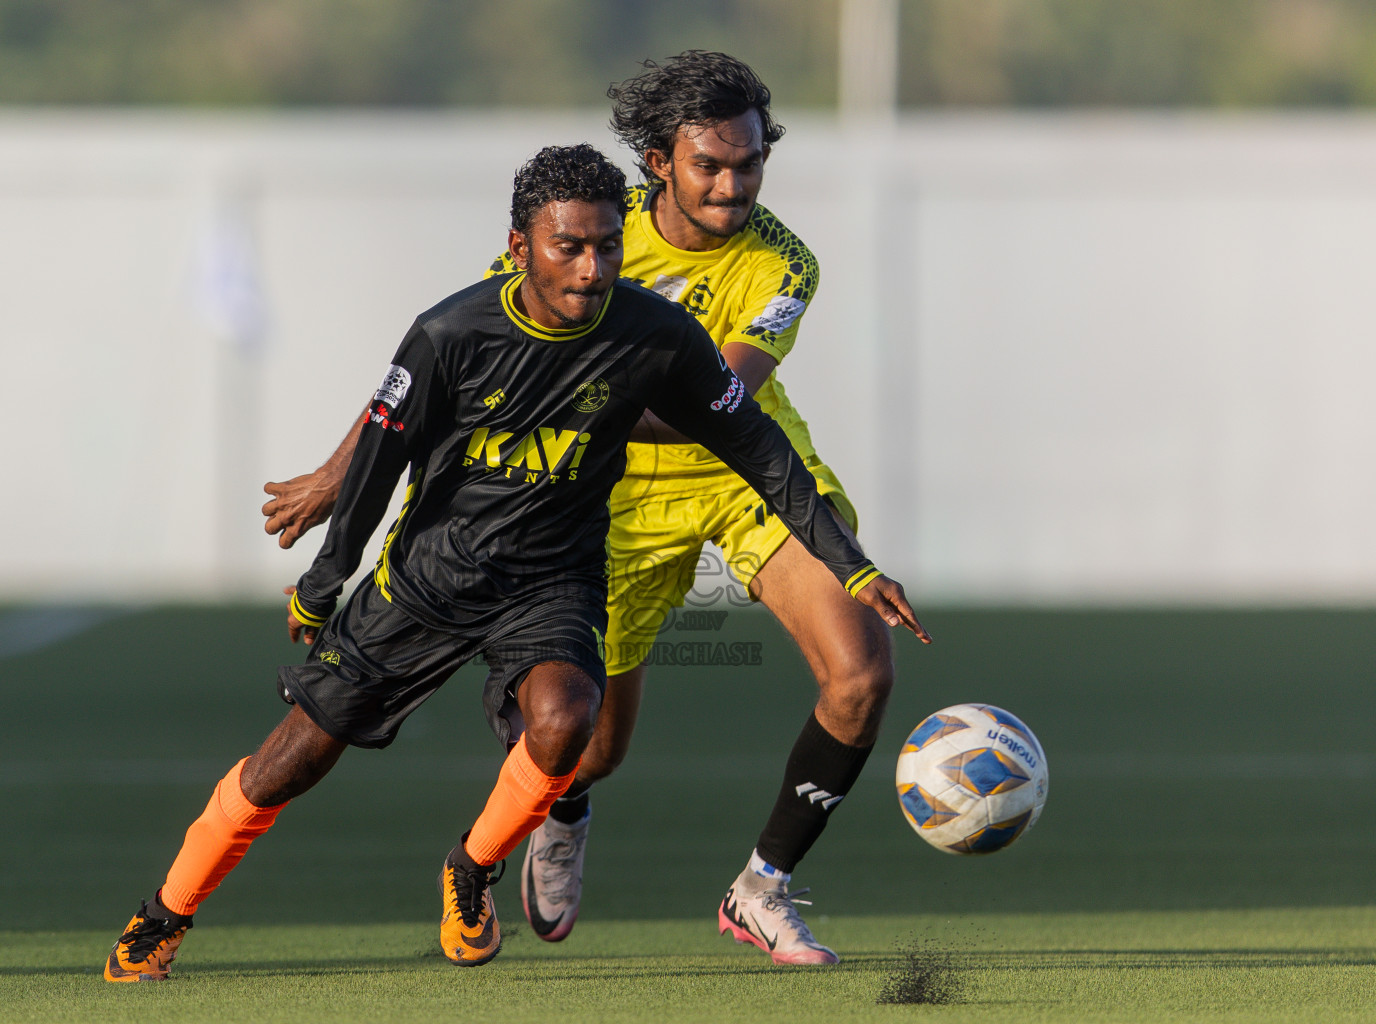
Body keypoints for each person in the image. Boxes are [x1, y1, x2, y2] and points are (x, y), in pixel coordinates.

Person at [106, 143, 923, 981]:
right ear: (518, 245)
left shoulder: (657, 335)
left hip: (554, 578)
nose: (592, 267)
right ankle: (161, 917)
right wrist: (322, 587)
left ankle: (472, 868)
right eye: (569, 246)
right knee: (292, 761)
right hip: (430, 576)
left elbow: (761, 448)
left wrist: (852, 565)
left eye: (607, 245)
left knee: (569, 719)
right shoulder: (449, 333)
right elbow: (379, 467)